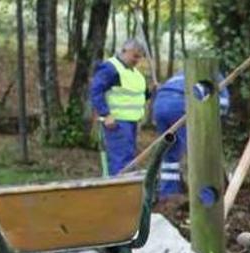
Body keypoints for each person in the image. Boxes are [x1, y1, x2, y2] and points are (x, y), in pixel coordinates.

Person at [151, 71, 231, 197]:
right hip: (181, 104)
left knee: (170, 154)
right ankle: (206, 197)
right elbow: (223, 105)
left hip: (159, 106)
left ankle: (168, 196)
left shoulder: (181, 73)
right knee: (200, 154)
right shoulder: (215, 75)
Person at [90, 39, 151, 176]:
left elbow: (140, 96)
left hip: (132, 122)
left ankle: (126, 189)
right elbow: (96, 91)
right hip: (117, 122)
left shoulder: (136, 73)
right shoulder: (110, 68)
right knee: (121, 160)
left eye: (139, 57)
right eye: (134, 56)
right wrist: (106, 114)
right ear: (124, 51)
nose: (137, 60)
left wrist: (153, 91)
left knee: (129, 159)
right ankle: (119, 191)